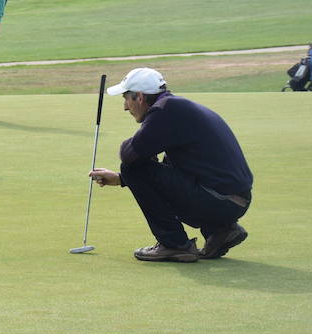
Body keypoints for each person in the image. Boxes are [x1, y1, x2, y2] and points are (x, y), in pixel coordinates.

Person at [90, 67, 253, 262]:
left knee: (132, 167)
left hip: (220, 200)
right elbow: (170, 170)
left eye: (126, 98)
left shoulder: (164, 112)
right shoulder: (175, 108)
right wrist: (122, 180)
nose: (125, 107)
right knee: (144, 166)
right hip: (232, 200)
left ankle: (174, 244)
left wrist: (129, 171)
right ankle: (221, 231)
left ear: (140, 97)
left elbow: (129, 155)